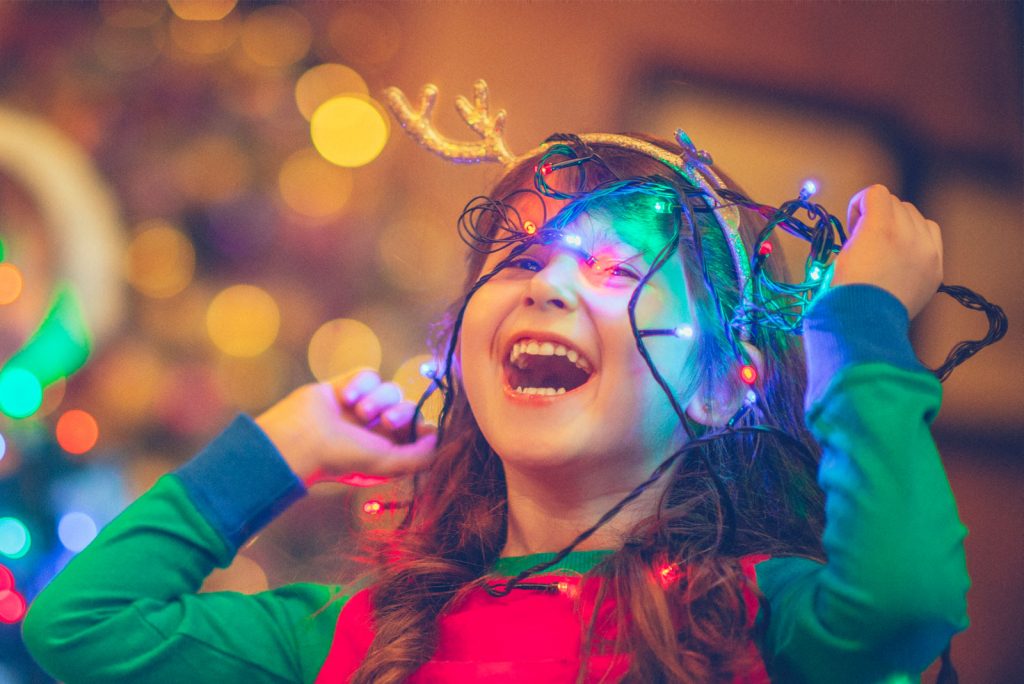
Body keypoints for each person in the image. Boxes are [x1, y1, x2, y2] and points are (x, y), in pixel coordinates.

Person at [22, 129, 968, 683]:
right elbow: (80, 627)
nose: (546, 284)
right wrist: (288, 442)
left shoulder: (750, 616)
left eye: (610, 269)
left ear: (723, 388)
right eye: (516, 258)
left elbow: (907, 601)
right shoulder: (360, 637)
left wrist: (859, 319)